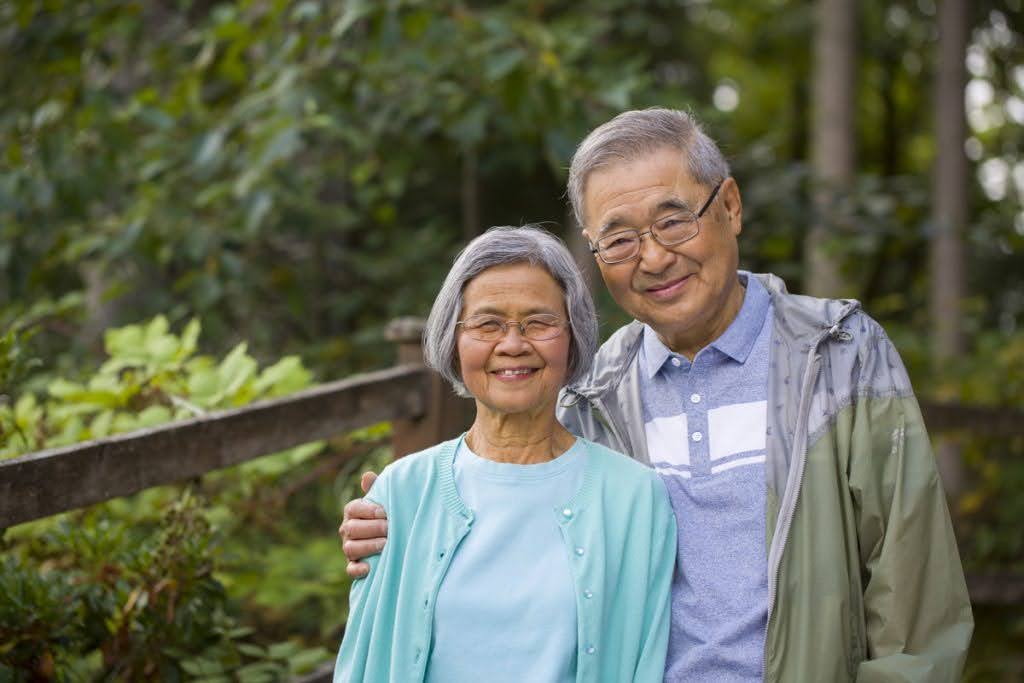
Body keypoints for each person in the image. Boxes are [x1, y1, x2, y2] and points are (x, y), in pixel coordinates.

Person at [341, 109, 974, 681]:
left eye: (673, 220)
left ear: (729, 206)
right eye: (618, 239)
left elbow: (912, 599)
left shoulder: (837, 356)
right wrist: (398, 525)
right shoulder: (590, 393)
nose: (652, 257)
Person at [333, 226, 676, 682]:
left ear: (573, 338)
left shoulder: (635, 499)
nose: (513, 344)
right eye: (487, 324)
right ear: (454, 341)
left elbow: (644, 664)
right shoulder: (401, 493)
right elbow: (364, 665)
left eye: (539, 322)